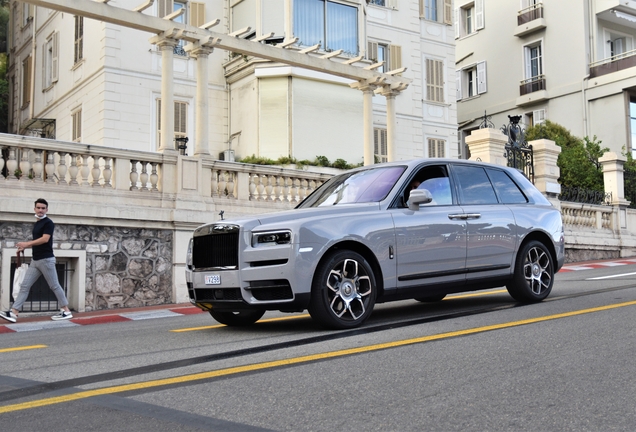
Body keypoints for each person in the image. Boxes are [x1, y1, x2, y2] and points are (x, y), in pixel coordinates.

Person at [1, 198, 73, 323]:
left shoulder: (48, 223)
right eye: (38, 208)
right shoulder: (38, 223)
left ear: (47, 210)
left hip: (46, 260)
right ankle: (14, 313)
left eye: (43, 208)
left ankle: (66, 311)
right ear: (34, 209)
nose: (40, 210)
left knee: (54, 285)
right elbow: (38, 242)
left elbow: (45, 239)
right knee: (24, 286)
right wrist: (22, 248)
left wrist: (26, 244)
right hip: (36, 260)